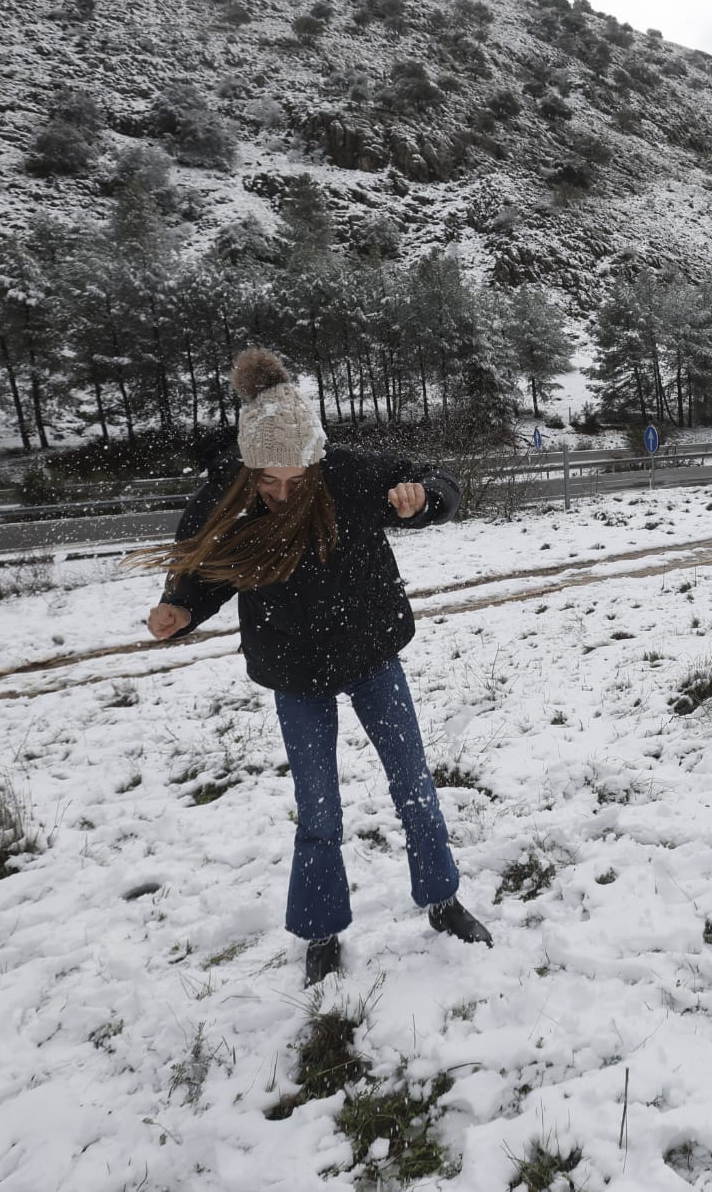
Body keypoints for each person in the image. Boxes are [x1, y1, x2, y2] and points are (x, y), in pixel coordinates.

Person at [133, 348, 491, 986]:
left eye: (295, 480)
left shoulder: (349, 473)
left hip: (369, 653)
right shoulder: (231, 494)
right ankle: (322, 930)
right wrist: (179, 607)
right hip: (293, 669)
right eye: (267, 481)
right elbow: (204, 564)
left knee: (412, 783)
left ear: (316, 460)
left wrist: (424, 498)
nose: (281, 492)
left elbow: (442, 485)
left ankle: (442, 899)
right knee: (319, 808)